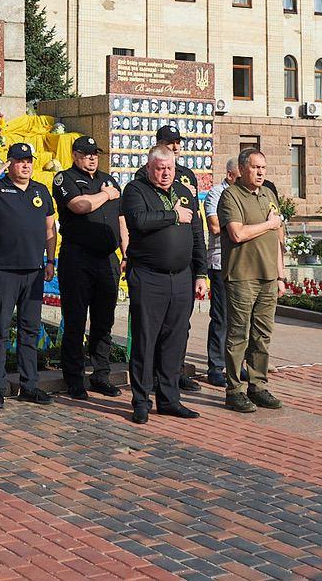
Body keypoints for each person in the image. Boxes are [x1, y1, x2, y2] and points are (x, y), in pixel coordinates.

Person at [0, 143, 58, 409]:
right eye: (19, 161)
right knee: (0, 330)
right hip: (5, 271)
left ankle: (29, 385)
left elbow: (50, 228)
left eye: (29, 160)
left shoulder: (41, 190)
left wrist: (50, 260)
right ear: (10, 163)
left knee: (29, 330)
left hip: (34, 270)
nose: (26, 165)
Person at [119, 147, 207, 424]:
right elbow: (139, 221)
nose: (166, 173)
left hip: (181, 277)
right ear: (149, 168)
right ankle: (141, 401)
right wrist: (173, 215)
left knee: (175, 339)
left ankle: (169, 400)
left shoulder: (185, 191)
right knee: (146, 339)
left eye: (170, 168)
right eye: (160, 168)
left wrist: (201, 273)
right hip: (149, 276)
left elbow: (196, 234)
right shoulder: (136, 189)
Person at [51, 136, 123, 399]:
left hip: (107, 258)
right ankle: (74, 378)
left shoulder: (109, 179)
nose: (92, 157)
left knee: (104, 319)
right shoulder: (65, 178)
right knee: (76, 319)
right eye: (86, 153)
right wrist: (105, 194)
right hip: (78, 258)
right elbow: (79, 205)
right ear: (75, 155)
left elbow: (121, 218)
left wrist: (127, 253)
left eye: (96, 153)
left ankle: (101, 374)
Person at [216, 149, 284, 413]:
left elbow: (278, 239)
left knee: (262, 335)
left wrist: (280, 276)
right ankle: (234, 390)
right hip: (242, 276)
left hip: (268, 276)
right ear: (243, 168)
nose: (260, 173)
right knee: (238, 335)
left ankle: (258, 385)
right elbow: (237, 233)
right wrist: (269, 224)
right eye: (255, 167)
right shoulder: (230, 195)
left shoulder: (268, 194)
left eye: (263, 168)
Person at [153, 125, 204, 393]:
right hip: (155, 266)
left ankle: (176, 371)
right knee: (156, 326)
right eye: (169, 142)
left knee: (180, 325)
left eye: (177, 143)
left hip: (184, 264)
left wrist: (201, 269)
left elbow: (196, 224)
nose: (174, 147)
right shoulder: (147, 176)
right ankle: (154, 375)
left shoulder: (186, 177)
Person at [202, 158, 238, 388]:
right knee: (221, 318)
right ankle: (215, 367)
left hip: (243, 264)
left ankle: (237, 364)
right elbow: (214, 226)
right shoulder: (217, 193)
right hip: (220, 263)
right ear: (230, 174)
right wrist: (240, 228)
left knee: (241, 319)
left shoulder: (247, 194)